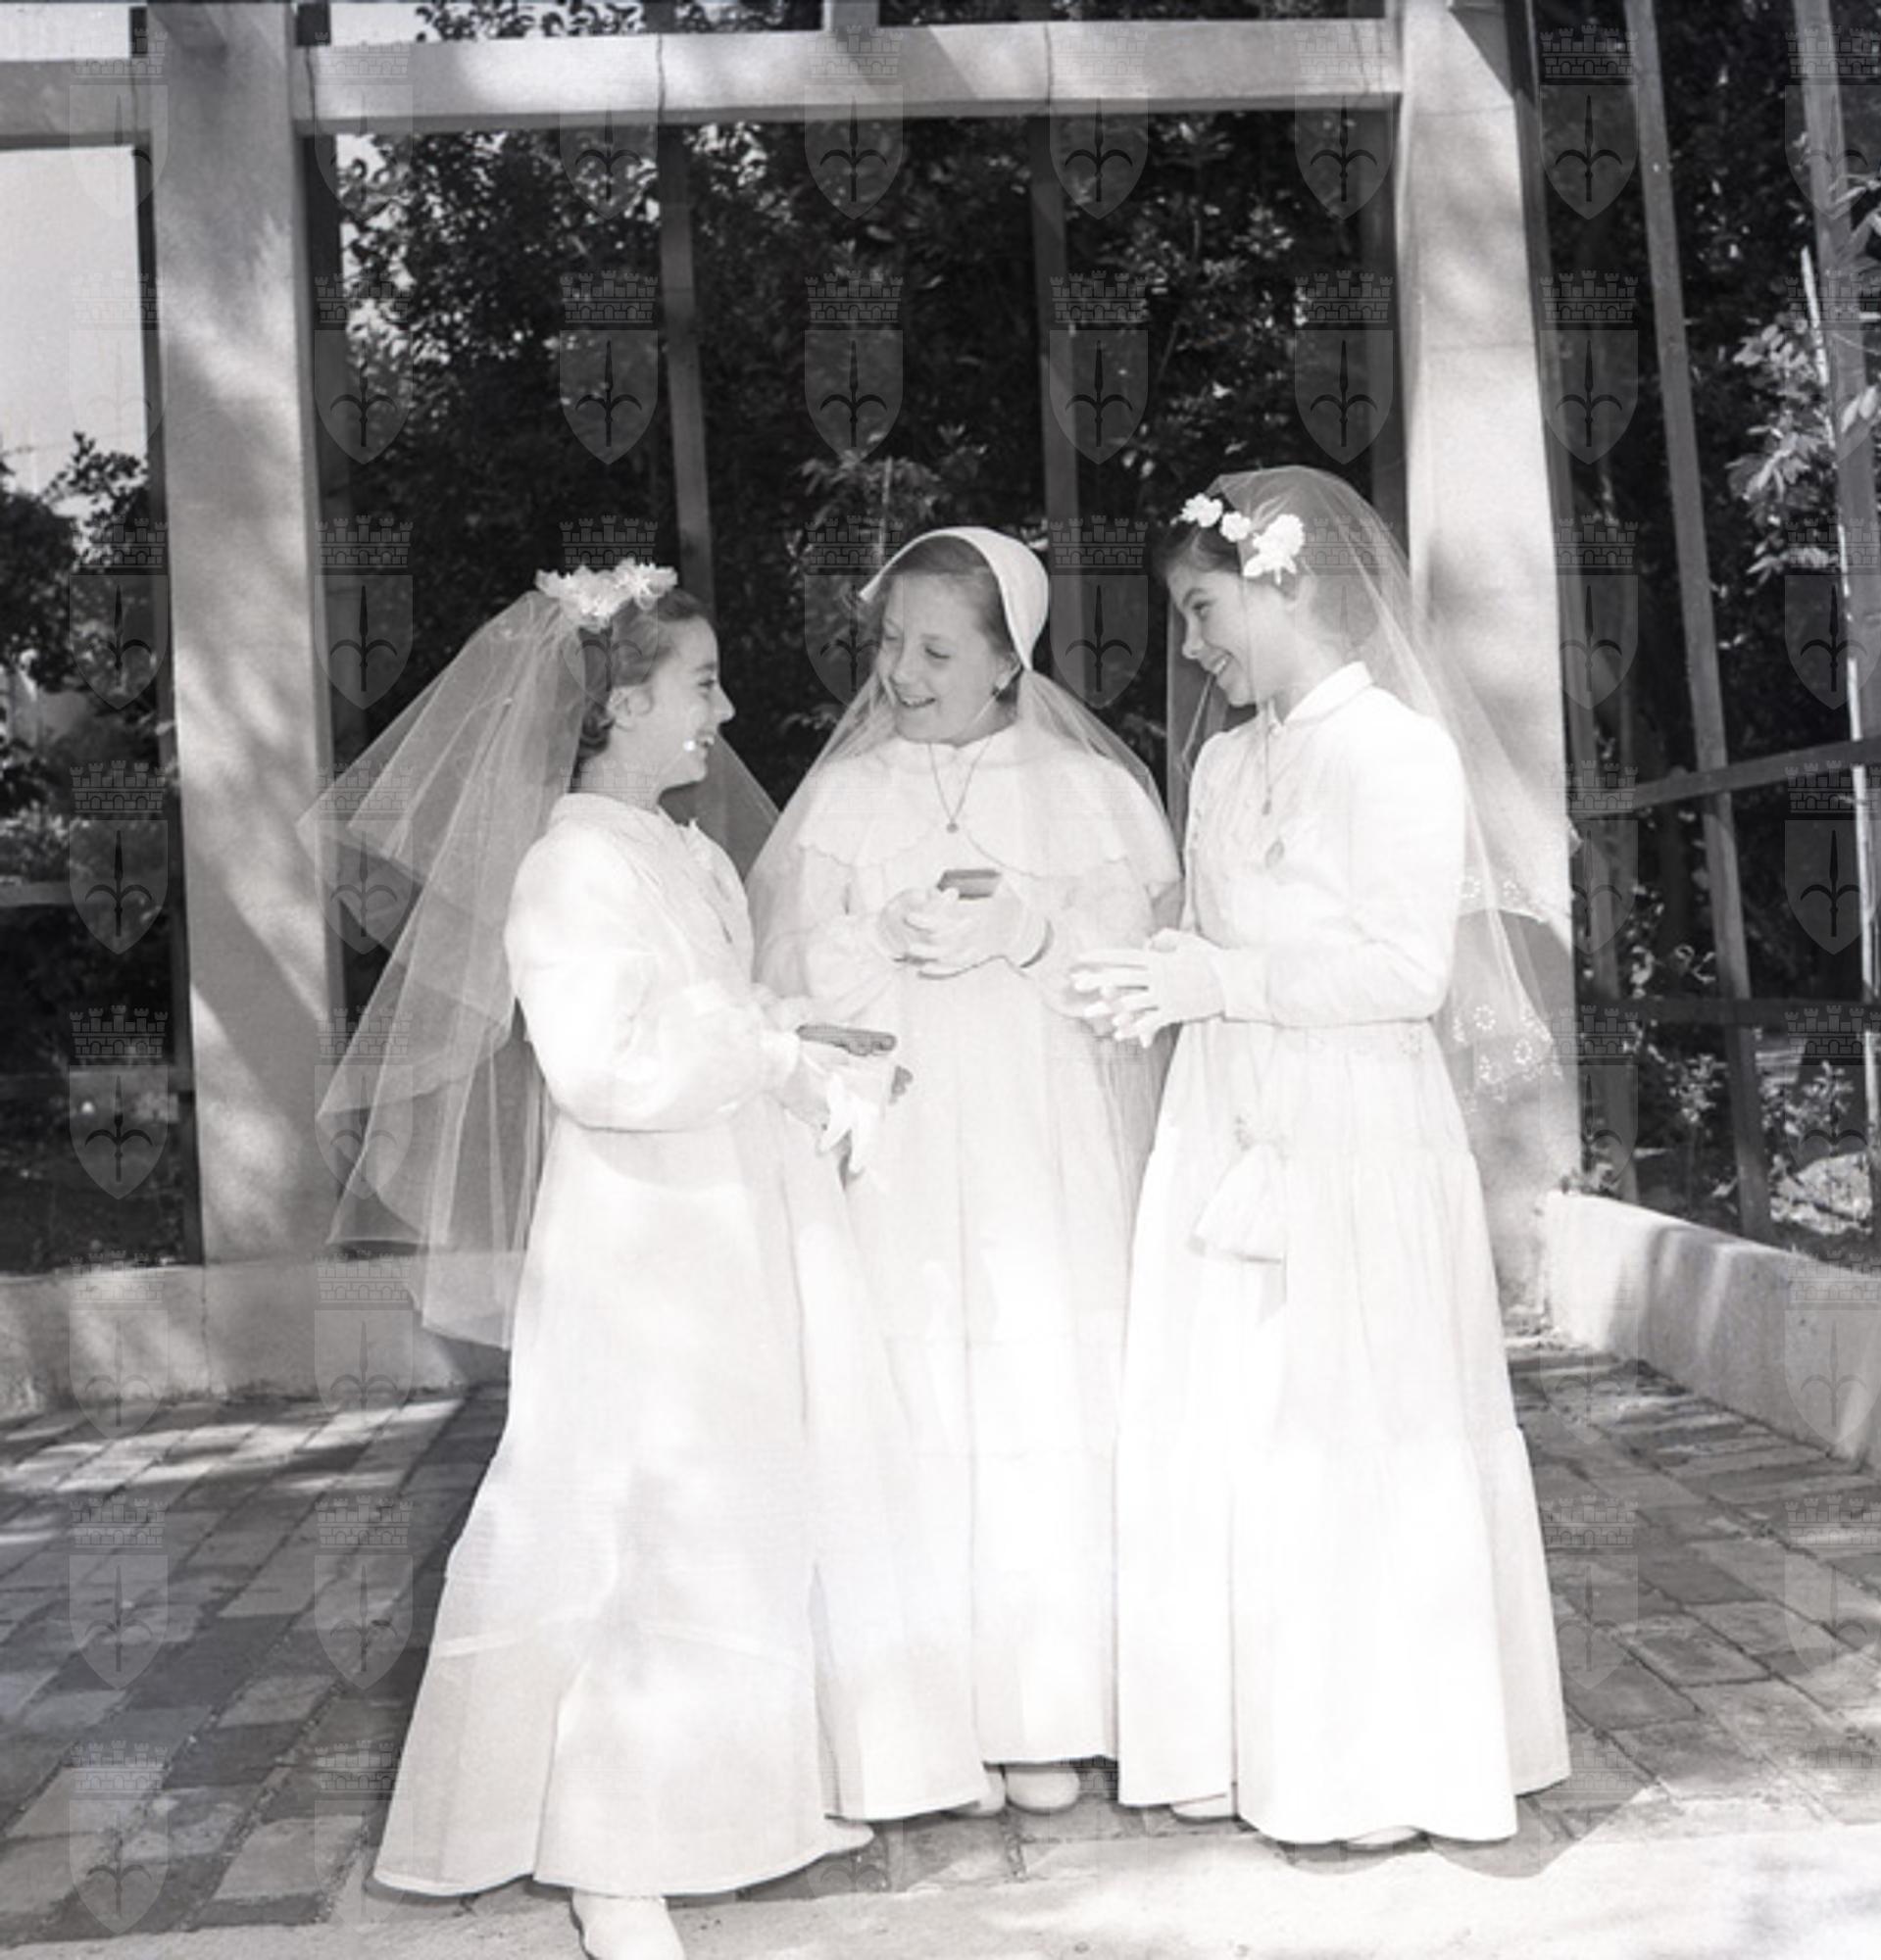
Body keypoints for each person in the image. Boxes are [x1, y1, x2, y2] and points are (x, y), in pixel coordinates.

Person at [310, 563, 980, 1960]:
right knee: (627, 1508)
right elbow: (604, 1066)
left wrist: (806, 1037)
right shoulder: (568, 866)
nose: (723, 714)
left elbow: (719, 1010)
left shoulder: (682, 852)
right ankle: (609, 1853)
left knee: (734, 1498)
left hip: (726, 1214)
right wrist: (772, 1049)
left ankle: (732, 1804)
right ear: (620, 706)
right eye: (702, 686)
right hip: (640, 1235)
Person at [1079, 468, 1569, 1848]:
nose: (1191, 647)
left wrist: (1220, 981)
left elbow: (1407, 972)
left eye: (1203, 610)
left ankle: (1387, 1761)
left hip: (1355, 1124)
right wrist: (1160, 976)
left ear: (1286, 583)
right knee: (1237, 1414)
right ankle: (1252, 1744)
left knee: (1351, 1414)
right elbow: (1218, 936)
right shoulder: (1225, 765)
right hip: (1227, 1112)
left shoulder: (1396, 752)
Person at [748, 527, 1181, 1815]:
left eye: (937, 651)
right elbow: (788, 981)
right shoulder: (846, 798)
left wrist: (1033, 931)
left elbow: (1136, 983)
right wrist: (873, 938)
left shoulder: (1088, 793)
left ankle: (1047, 1706)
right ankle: (923, 1715)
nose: (901, 673)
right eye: (891, 643)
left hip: (1041, 1134)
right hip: (896, 1136)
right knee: (910, 1387)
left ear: (1007, 661)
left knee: (1040, 1380)